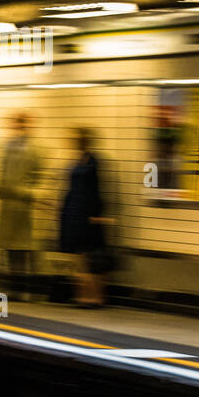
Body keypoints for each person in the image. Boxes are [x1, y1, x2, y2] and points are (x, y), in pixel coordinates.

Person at [58, 127, 113, 307]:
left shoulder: (93, 161)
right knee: (80, 255)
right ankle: (83, 295)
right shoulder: (76, 160)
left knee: (92, 255)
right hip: (74, 211)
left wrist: (96, 214)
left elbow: (96, 190)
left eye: (77, 139)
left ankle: (96, 296)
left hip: (87, 213)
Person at [0, 112, 44, 301]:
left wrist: (27, 193)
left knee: (27, 250)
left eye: (21, 124)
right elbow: (0, 174)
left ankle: (30, 290)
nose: (17, 128)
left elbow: (42, 177)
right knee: (10, 250)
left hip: (27, 208)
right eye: (15, 124)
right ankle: (13, 289)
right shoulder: (5, 147)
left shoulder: (37, 149)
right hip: (8, 207)